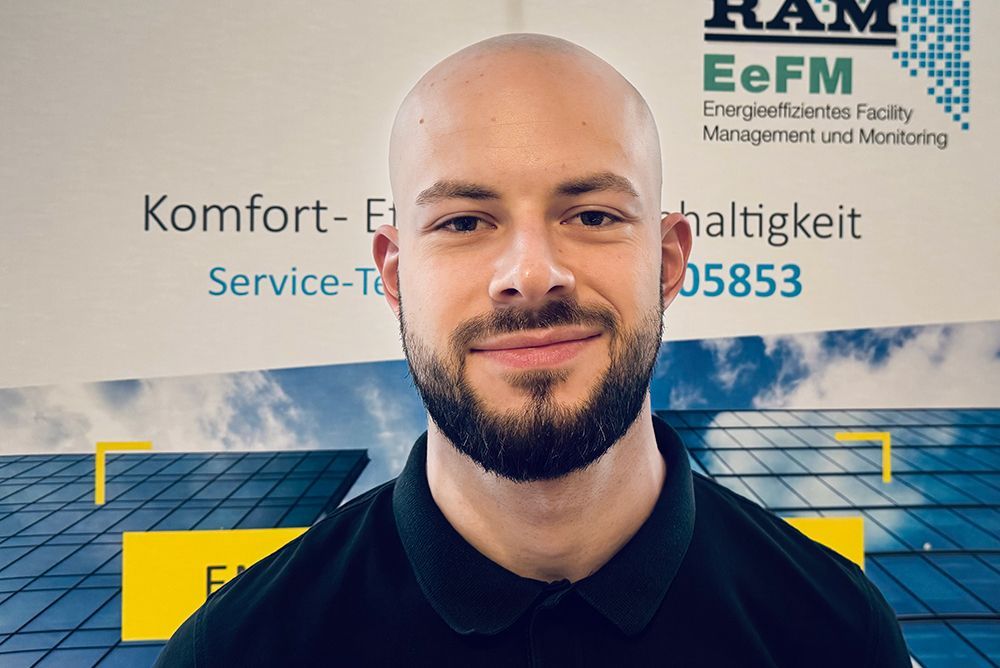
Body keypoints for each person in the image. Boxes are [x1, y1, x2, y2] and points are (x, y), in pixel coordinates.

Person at [154, 33, 911, 666]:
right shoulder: (233, 653)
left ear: (667, 261)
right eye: (463, 222)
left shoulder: (838, 634)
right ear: (395, 276)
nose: (531, 274)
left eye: (591, 215)